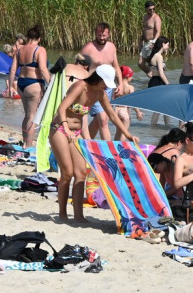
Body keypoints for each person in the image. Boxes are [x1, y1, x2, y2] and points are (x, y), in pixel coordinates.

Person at [49, 65, 138, 222]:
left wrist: (127, 134)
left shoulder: (100, 93)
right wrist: (65, 127)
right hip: (59, 129)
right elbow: (62, 107)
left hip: (76, 133)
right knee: (67, 172)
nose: (106, 87)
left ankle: (78, 216)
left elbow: (111, 114)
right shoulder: (80, 86)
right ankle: (62, 214)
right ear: (98, 78)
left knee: (81, 174)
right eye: (105, 82)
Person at [8, 25, 51, 146]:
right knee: (33, 116)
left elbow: (12, 70)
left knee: (27, 115)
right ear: (39, 38)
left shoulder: (20, 50)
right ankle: (28, 144)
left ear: (27, 37)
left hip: (21, 84)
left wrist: (10, 87)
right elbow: (43, 69)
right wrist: (51, 84)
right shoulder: (40, 50)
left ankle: (25, 142)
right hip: (34, 84)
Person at [79, 23, 122, 139]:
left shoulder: (112, 47)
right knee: (103, 119)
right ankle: (107, 150)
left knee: (101, 120)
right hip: (92, 87)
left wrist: (121, 84)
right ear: (95, 34)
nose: (101, 38)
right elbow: (78, 67)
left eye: (104, 35)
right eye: (99, 35)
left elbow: (116, 66)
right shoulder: (88, 48)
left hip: (107, 88)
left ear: (108, 34)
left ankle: (87, 142)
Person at [137, 1, 162, 74]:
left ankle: (156, 78)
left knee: (152, 63)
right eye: (150, 9)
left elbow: (158, 31)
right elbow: (145, 30)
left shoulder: (156, 18)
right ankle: (152, 76)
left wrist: (154, 42)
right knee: (140, 63)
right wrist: (141, 41)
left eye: (153, 9)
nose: (152, 11)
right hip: (146, 43)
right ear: (146, 9)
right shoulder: (145, 17)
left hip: (153, 43)